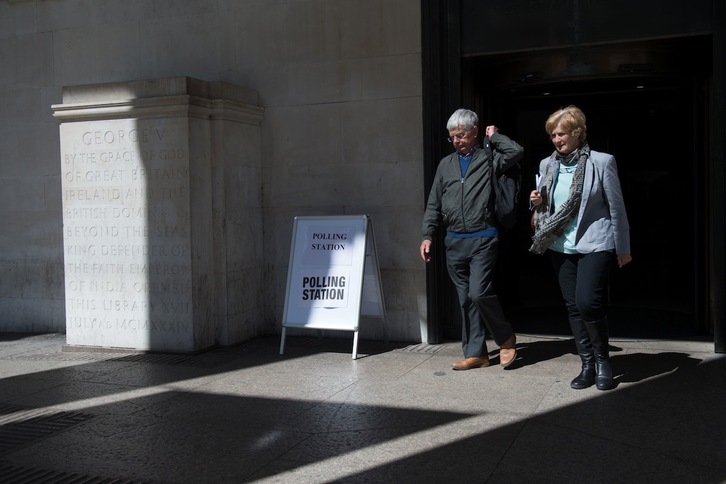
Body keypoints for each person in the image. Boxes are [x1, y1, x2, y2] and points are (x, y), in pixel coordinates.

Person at [529, 105, 632, 390]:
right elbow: (546, 207)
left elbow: (616, 206)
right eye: (552, 135)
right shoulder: (547, 165)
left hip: (595, 242)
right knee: (573, 307)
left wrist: (622, 246)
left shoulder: (602, 162)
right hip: (560, 244)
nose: (556, 139)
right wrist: (537, 203)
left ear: (577, 133)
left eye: (561, 133)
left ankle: (603, 361)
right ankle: (587, 364)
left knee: (588, 302)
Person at [420, 108, 523, 370]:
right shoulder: (446, 165)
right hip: (453, 241)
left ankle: (506, 338)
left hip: (483, 238)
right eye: (453, 137)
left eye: (462, 135)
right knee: (465, 300)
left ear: (475, 132)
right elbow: (434, 203)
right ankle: (476, 352)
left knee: (478, 293)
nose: (457, 141)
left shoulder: (490, 158)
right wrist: (427, 235)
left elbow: (516, 152)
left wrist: (496, 136)